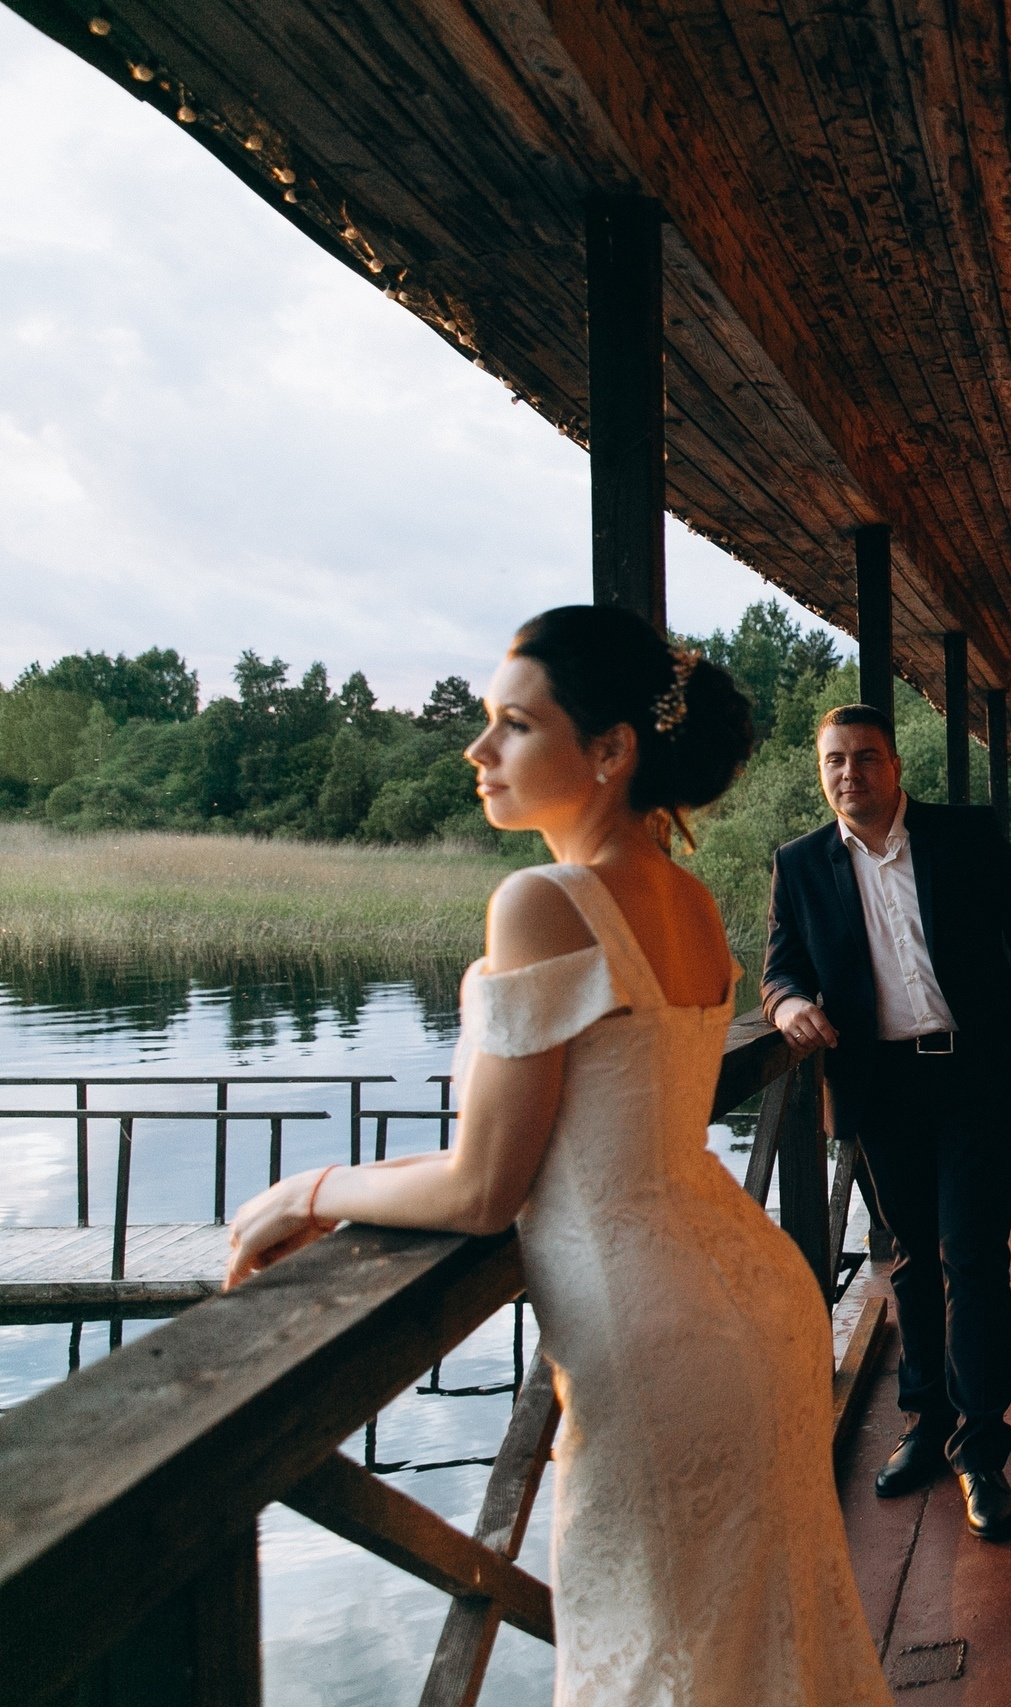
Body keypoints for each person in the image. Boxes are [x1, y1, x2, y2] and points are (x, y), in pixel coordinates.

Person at [225, 606, 895, 1705]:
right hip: (754, 1295)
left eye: (514, 724)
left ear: (610, 750)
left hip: (652, 1338)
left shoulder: (542, 901)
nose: (477, 748)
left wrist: (310, 1191)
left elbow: (484, 1185)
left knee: (661, 1659)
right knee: (767, 1642)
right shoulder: (685, 898)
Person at [760, 704, 1011, 1541]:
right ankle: (927, 1422)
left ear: (894, 767)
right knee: (910, 1259)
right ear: (821, 771)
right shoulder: (800, 864)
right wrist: (785, 1006)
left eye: (864, 757)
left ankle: (981, 1449)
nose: (848, 772)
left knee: (972, 1252)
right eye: (834, 760)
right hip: (881, 1084)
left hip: (977, 1075)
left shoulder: (963, 835)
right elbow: (780, 966)